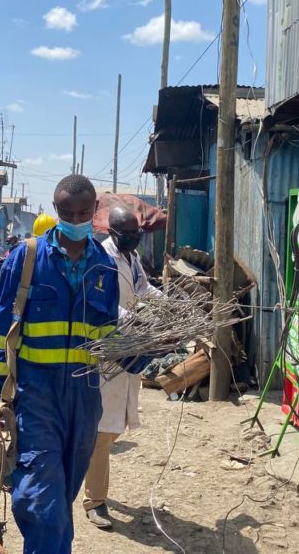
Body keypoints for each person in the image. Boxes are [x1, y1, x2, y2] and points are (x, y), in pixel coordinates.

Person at [0, 174, 120, 554]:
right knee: (41, 501)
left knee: (61, 499)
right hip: (36, 398)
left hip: (85, 400)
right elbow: (0, 337)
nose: (75, 218)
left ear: (94, 211)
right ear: (55, 210)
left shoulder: (105, 267)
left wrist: (139, 351)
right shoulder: (24, 260)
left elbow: (107, 335)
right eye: (66, 212)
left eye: (83, 212)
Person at [83, 206, 163, 529]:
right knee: (104, 431)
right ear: (114, 233)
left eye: (137, 232)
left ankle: (89, 480)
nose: (135, 237)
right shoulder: (100, 259)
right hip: (109, 349)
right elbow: (102, 305)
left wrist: (167, 304)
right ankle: (94, 501)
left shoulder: (132, 259)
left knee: (114, 428)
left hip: (130, 347)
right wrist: (135, 320)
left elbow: (143, 289)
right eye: (129, 233)